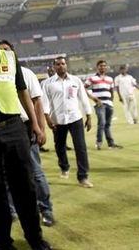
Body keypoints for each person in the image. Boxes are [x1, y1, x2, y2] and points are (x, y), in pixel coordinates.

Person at [0, 19, 51, 250]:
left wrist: (35, 124)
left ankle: (35, 239)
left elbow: (22, 91)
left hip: (15, 127)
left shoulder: (10, 57)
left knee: (25, 186)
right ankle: (4, 243)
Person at [0, 40, 55, 228]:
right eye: (1, 51)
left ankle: (46, 209)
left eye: (7, 50)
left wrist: (40, 128)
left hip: (25, 125)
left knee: (34, 171)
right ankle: (10, 211)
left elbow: (37, 102)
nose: (4, 53)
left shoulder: (26, 73)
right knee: (5, 173)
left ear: (13, 53)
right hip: (3, 127)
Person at [43, 57, 94, 188]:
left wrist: (89, 116)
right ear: (54, 67)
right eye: (58, 64)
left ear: (67, 65)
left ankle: (83, 177)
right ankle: (64, 167)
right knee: (60, 146)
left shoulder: (75, 80)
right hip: (57, 120)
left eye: (63, 64)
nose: (61, 66)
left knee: (81, 147)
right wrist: (47, 118)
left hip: (75, 118)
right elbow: (45, 102)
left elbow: (83, 98)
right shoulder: (48, 83)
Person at [85, 60, 123, 149]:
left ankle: (111, 143)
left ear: (106, 67)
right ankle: (98, 142)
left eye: (104, 66)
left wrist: (111, 101)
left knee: (108, 124)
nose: (103, 67)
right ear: (97, 67)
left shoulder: (110, 79)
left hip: (109, 104)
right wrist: (93, 98)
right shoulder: (92, 78)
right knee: (102, 123)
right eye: (101, 66)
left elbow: (111, 91)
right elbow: (83, 89)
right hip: (99, 104)